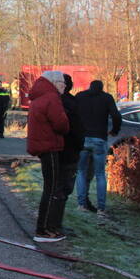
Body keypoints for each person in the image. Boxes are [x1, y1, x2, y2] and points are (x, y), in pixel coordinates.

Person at [27, 70, 70, 242]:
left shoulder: (39, 97)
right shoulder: (52, 98)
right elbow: (61, 124)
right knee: (51, 189)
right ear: (54, 83)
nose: (64, 87)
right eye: (62, 83)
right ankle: (44, 229)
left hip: (41, 144)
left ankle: (44, 228)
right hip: (49, 145)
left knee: (49, 188)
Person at [74, 79, 122, 216]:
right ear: (102, 88)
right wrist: (114, 131)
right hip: (100, 139)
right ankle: (101, 208)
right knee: (100, 174)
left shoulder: (80, 97)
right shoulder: (107, 98)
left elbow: (73, 115)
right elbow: (116, 116)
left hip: (83, 139)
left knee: (81, 172)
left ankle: (81, 204)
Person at [53, 74, 85, 236]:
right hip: (68, 151)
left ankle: (53, 223)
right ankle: (55, 225)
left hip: (60, 151)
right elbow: (74, 129)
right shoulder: (68, 103)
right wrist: (80, 144)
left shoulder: (59, 101)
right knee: (62, 189)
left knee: (57, 188)